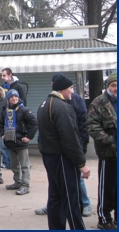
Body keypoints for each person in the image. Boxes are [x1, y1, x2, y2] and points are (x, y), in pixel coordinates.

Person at [35, 73, 92, 217]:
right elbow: (69, 138)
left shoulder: (44, 104)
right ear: (61, 89)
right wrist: (81, 163)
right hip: (62, 158)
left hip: (51, 157)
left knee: (55, 197)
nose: (72, 91)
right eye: (70, 88)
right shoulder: (61, 107)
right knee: (71, 199)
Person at [87, 73, 117, 230]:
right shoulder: (98, 103)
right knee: (107, 188)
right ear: (108, 86)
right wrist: (110, 141)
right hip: (108, 154)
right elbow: (92, 126)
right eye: (113, 85)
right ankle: (104, 218)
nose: (116, 88)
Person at [1, 89, 37, 195]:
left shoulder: (24, 110)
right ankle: (17, 182)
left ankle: (25, 185)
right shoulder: (6, 112)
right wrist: (2, 134)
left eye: (16, 96)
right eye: (11, 97)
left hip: (21, 143)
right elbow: (0, 125)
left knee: (24, 165)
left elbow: (34, 124)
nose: (14, 98)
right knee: (14, 165)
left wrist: (29, 137)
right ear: (8, 99)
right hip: (10, 142)